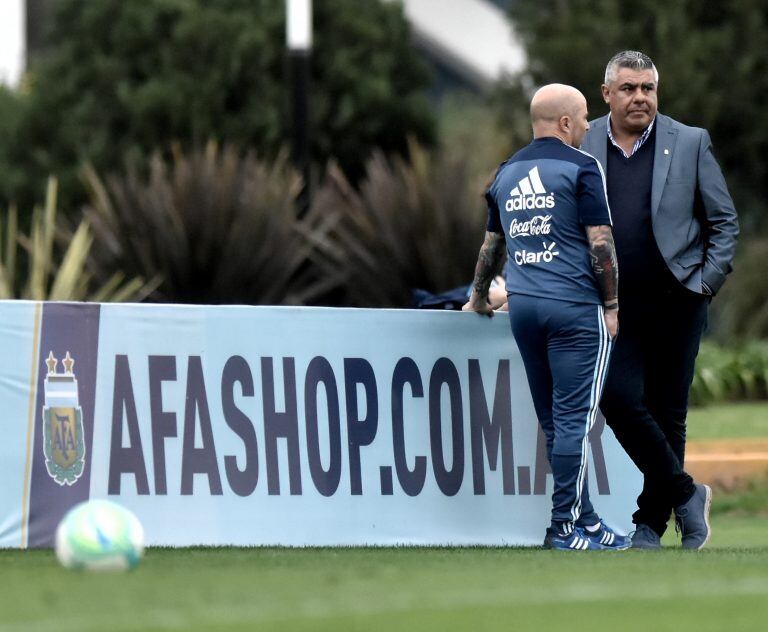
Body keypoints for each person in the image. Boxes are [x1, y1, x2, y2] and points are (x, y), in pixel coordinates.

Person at [580, 51, 739, 549]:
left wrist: (704, 283)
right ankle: (688, 494)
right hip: (613, 304)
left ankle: (649, 524)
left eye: (648, 88)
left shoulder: (690, 142)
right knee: (617, 397)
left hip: (678, 298)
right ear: (606, 94)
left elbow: (724, 222)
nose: (640, 98)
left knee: (669, 412)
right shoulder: (581, 143)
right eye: (628, 88)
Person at [464, 83, 629, 550]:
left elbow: (491, 246)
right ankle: (563, 528)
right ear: (563, 123)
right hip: (575, 310)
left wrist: (478, 297)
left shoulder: (506, 171)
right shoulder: (582, 167)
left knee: (556, 425)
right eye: (582, 119)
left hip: (526, 312)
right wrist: (612, 306)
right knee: (574, 422)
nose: (586, 127)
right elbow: (601, 242)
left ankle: (589, 522)